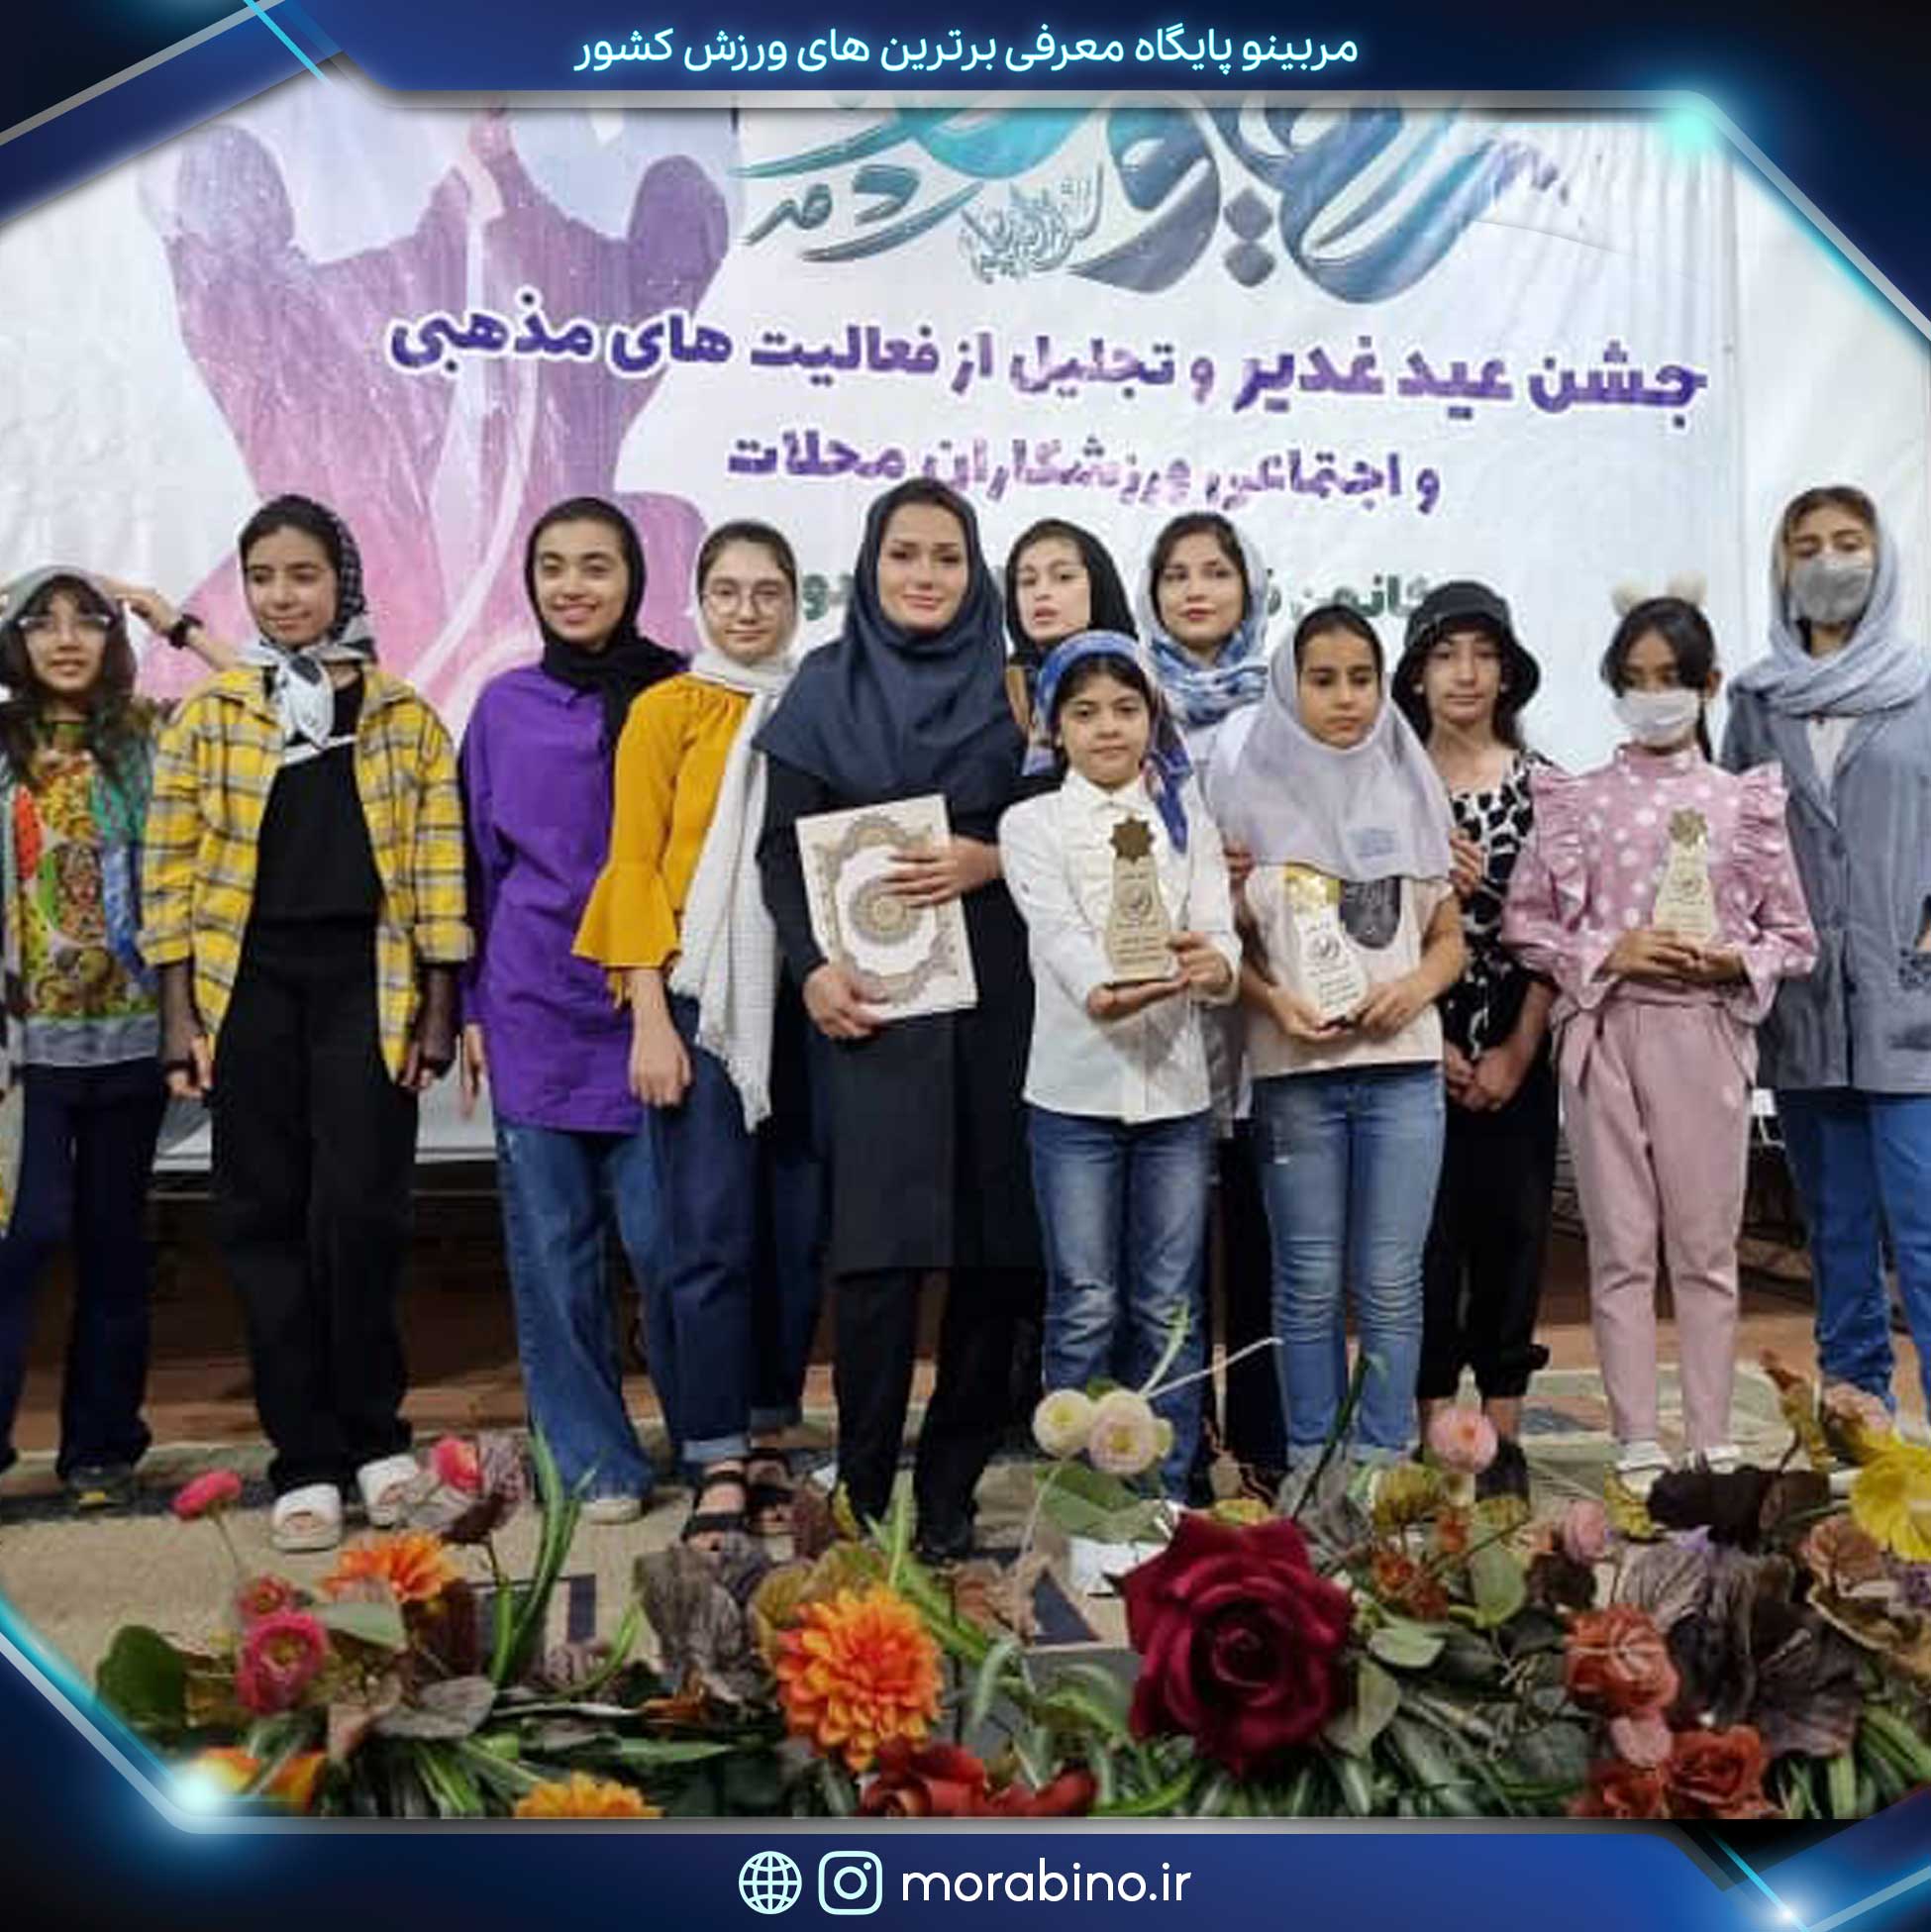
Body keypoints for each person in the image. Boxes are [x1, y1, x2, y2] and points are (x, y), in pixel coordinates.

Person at [141, 493, 469, 1553]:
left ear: (344, 583)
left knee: (362, 1214)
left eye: (304, 575)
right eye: (264, 578)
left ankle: (376, 1439)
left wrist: (438, 1010)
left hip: (365, 985)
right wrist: (178, 1019)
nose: (283, 597)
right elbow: (168, 874)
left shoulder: (404, 716)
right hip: (249, 990)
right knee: (262, 1218)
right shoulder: (211, 715)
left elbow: (439, 871)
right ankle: (306, 1459)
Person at [755, 478, 1038, 1563]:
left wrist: (991, 857)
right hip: (874, 1010)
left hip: (1003, 1000)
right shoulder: (823, 687)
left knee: (995, 1255)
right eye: (904, 554)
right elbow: (782, 851)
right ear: (871, 566)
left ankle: (953, 1487)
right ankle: (866, 1490)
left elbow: (1073, 818)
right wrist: (810, 970)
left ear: (976, 572)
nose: (925, 574)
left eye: (947, 556)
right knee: (876, 1263)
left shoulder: (1020, 689)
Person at [1504, 593, 1816, 1494]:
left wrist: (1731, 958)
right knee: (1621, 1246)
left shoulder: (1741, 803)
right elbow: (1528, 924)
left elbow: (1793, 938)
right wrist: (1612, 950)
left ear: (1707, 683)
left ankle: (1712, 1435)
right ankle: (1637, 1435)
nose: (1651, 697)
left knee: (1707, 1248)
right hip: (1604, 1032)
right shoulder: (1577, 800)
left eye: (1669, 678)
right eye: (1633, 680)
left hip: (1705, 1035)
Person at [575, 520, 825, 1545]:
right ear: (699, 600)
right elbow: (633, 864)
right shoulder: (666, 709)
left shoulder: (820, 704)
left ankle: (769, 1433)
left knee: (797, 1235)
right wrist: (648, 1018)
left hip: (808, 997)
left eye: (768, 591)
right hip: (702, 998)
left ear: (797, 602)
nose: (747, 610)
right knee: (708, 1234)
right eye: (727, 591)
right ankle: (716, 1450)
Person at [458, 498, 682, 1524]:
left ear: (633, 579)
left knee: (668, 1243)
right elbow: (475, 867)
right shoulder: (503, 707)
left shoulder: (679, 694)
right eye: (553, 566)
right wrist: (469, 1005)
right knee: (555, 1254)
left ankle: (707, 1438)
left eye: (597, 565)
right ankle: (596, 1462)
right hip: (533, 1008)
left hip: (657, 1010)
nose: (573, 585)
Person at [1212, 604, 1465, 1478]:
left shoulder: (1407, 784)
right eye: (1323, 680)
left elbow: (1448, 937)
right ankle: (1313, 1468)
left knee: (1391, 1281)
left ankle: (1382, 1468)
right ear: (1290, 688)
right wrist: (1272, 1001)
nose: (1346, 697)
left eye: (1362, 678)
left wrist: (1414, 989)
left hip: (1404, 1076)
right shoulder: (1246, 798)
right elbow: (1226, 943)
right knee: (1307, 1281)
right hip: (1296, 1078)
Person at [0, 570, 233, 1509]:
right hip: (22, 1055)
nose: (66, 639)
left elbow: (257, 701)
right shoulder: (4, 744)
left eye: (86, 621)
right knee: (22, 1235)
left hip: (135, 1038)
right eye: (42, 622)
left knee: (114, 1243)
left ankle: (101, 1448)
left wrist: (176, 623)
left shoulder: (146, 736)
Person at [999, 632, 1240, 1497]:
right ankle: (1083, 1499)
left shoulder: (1189, 821)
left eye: (1127, 709)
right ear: (1055, 728)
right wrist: (1103, 989)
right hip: (1072, 1098)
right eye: (1086, 712)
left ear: (1153, 717)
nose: (1108, 727)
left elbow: (1219, 933)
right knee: (1085, 1302)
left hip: (1175, 1096)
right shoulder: (1030, 824)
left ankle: (1164, 1494)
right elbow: (1058, 931)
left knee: (1169, 1304)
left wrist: (1216, 965)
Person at [1722, 490, 1931, 1423]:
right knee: (1836, 1228)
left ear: (1881, 558)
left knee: (1923, 1228)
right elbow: (1730, 837)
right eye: (1806, 547)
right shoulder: (1756, 701)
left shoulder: (1922, 686)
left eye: (1849, 543)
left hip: (1910, 999)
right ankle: (1858, 1417)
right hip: (1806, 1005)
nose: (1829, 563)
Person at [1391, 581, 1556, 1499]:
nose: (1465, 673)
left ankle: (1502, 1436)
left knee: (1514, 1234)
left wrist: (1518, 1051)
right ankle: (1432, 1436)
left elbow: (1561, 929)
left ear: (1508, 671)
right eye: (1445, 654)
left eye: (1484, 654)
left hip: (1518, 1041)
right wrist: (1428, 1034)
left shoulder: (1546, 785)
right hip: (1410, 1039)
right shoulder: (1384, 780)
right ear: (1415, 673)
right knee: (1424, 1244)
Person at [1142, 511, 1283, 1480]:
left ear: (1249, 587)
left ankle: (1268, 1448)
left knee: (1265, 1236)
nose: (1196, 590)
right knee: (1171, 1246)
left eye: (1216, 572)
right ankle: (1179, 1448)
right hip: (1162, 999)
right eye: (1177, 574)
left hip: (1270, 992)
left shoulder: (1287, 703)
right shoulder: (1127, 698)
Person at [1001, 518, 1137, 736]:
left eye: (1063, 577)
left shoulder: (1148, 681)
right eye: (1028, 581)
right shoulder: (995, 693)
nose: (1041, 592)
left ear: (1099, 586)